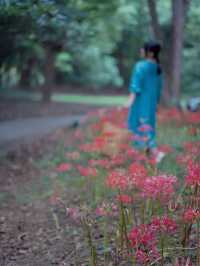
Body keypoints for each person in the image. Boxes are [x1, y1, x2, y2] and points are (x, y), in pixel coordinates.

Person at [127, 41, 165, 162]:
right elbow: (159, 88)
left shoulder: (140, 66)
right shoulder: (157, 68)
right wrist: (157, 104)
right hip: (151, 104)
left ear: (150, 53)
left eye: (143, 48)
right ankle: (147, 157)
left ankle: (155, 153)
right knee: (148, 127)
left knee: (139, 126)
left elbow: (135, 85)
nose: (141, 50)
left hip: (140, 102)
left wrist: (129, 101)